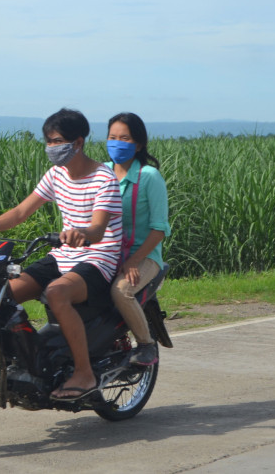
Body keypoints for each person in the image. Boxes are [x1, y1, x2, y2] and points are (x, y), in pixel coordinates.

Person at [0, 108, 122, 401]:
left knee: (57, 292)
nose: (51, 148)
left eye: (57, 141)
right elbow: (21, 212)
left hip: (99, 258)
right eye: (48, 142)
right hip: (63, 255)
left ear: (78, 142)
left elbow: (98, 229)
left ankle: (84, 373)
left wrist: (82, 233)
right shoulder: (56, 174)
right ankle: (25, 359)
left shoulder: (103, 178)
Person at [105, 112, 171, 366]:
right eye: (112, 137)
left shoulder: (149, 177)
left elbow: (159, 228)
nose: (117, 143)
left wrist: (134, 259)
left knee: (121, 291)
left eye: (125, 138)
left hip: (144, 256)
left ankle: (146, 344)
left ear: (139, 144)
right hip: (108, 253)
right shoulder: (102, 173)